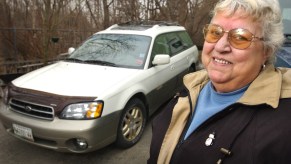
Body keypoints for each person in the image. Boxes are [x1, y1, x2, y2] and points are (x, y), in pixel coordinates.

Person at [148, 0, 291, 163]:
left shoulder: (284, 123)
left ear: (266, 50)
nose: (220, 46)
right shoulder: (189, 88)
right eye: (215, 32)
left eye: (240, 37)